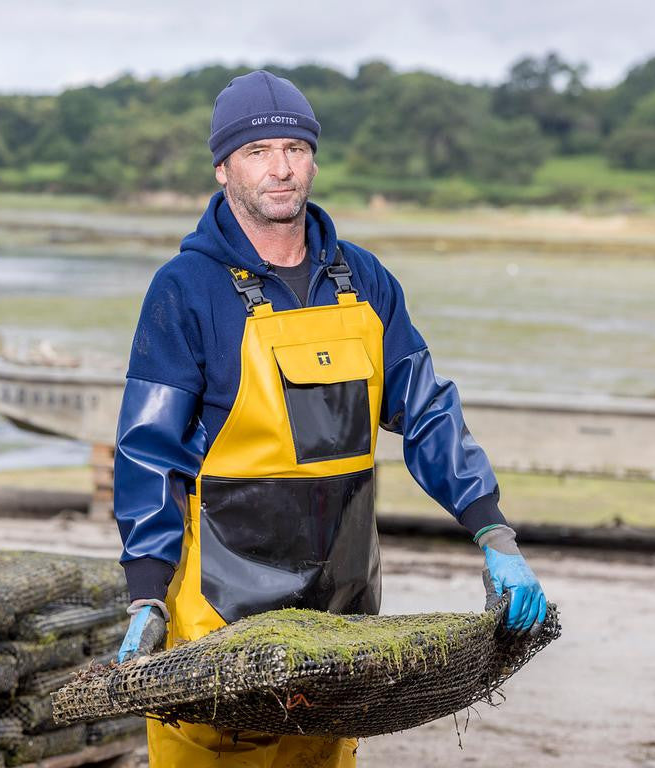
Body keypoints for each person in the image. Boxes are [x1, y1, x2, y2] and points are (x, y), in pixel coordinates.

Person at [112, 69, 547, 768]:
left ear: (314, 158)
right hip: (219, 627)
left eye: (295, 148)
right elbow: (147, 451)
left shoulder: (365, 280)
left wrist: (494, 533)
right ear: (223, 167)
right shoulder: (184, 290)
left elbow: (429, 411)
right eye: (258, 152)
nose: (280, 169)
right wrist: (144, 597)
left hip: (341, 630)